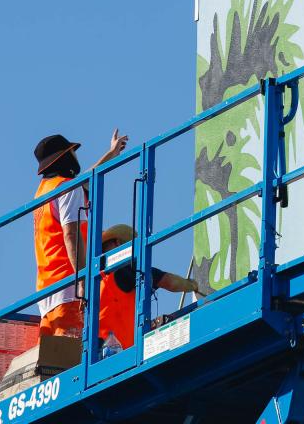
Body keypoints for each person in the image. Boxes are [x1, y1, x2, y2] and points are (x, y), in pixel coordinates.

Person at [32, 129, 128, 338]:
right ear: (65, 157)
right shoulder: (67, 189)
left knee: (55, 363)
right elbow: (71, 235)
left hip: (47, 294)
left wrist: (111, 154)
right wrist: (82, 281)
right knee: (74, 360)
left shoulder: (44, 191)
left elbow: (85, 180)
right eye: (73, 152)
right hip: (69, 290)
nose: (76, 156)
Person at [97, 224, 200, 351]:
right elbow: (170, 282)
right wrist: (193, 285)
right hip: (125, 352)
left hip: (102, 353)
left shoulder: (97, 281)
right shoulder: (125, 272)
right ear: (118, 243)